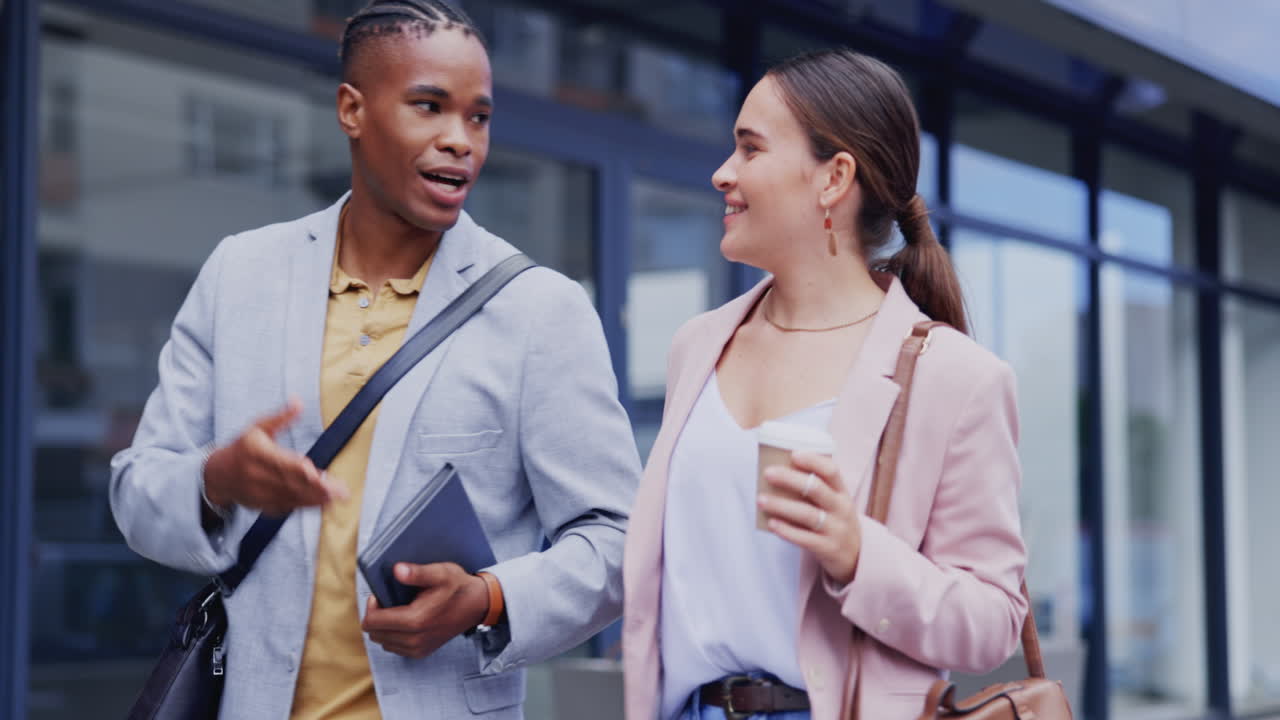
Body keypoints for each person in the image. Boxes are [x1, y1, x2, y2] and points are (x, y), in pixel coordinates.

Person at [109, 2, 640, 718]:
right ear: (352, 110)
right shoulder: (241, 274)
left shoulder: (540, 311)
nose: (461, 142)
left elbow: (620, 542)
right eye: (429, 107)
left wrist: (487, 598)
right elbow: (137, 492)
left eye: (478, 117)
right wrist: (218, 478)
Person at [621, 49, 1028, 720]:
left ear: (834, 177)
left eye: (751, 150)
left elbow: (992, 619)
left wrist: (857, 553)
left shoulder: (954, 376)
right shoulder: (696, 346)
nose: (723, 173)